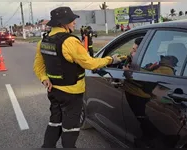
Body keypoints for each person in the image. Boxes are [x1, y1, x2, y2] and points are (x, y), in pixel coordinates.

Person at [33, 6, 123, 148]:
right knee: (71, 126)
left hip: (54, 91)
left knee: (55, 121)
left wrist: (44, 78)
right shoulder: (70, 41)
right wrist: (110, 60)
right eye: (71, 20)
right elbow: (90, 63)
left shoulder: (43, 41)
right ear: (63, 23)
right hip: (71, 92)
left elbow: (38, 66)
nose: (74, 22)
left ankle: (47, 146)